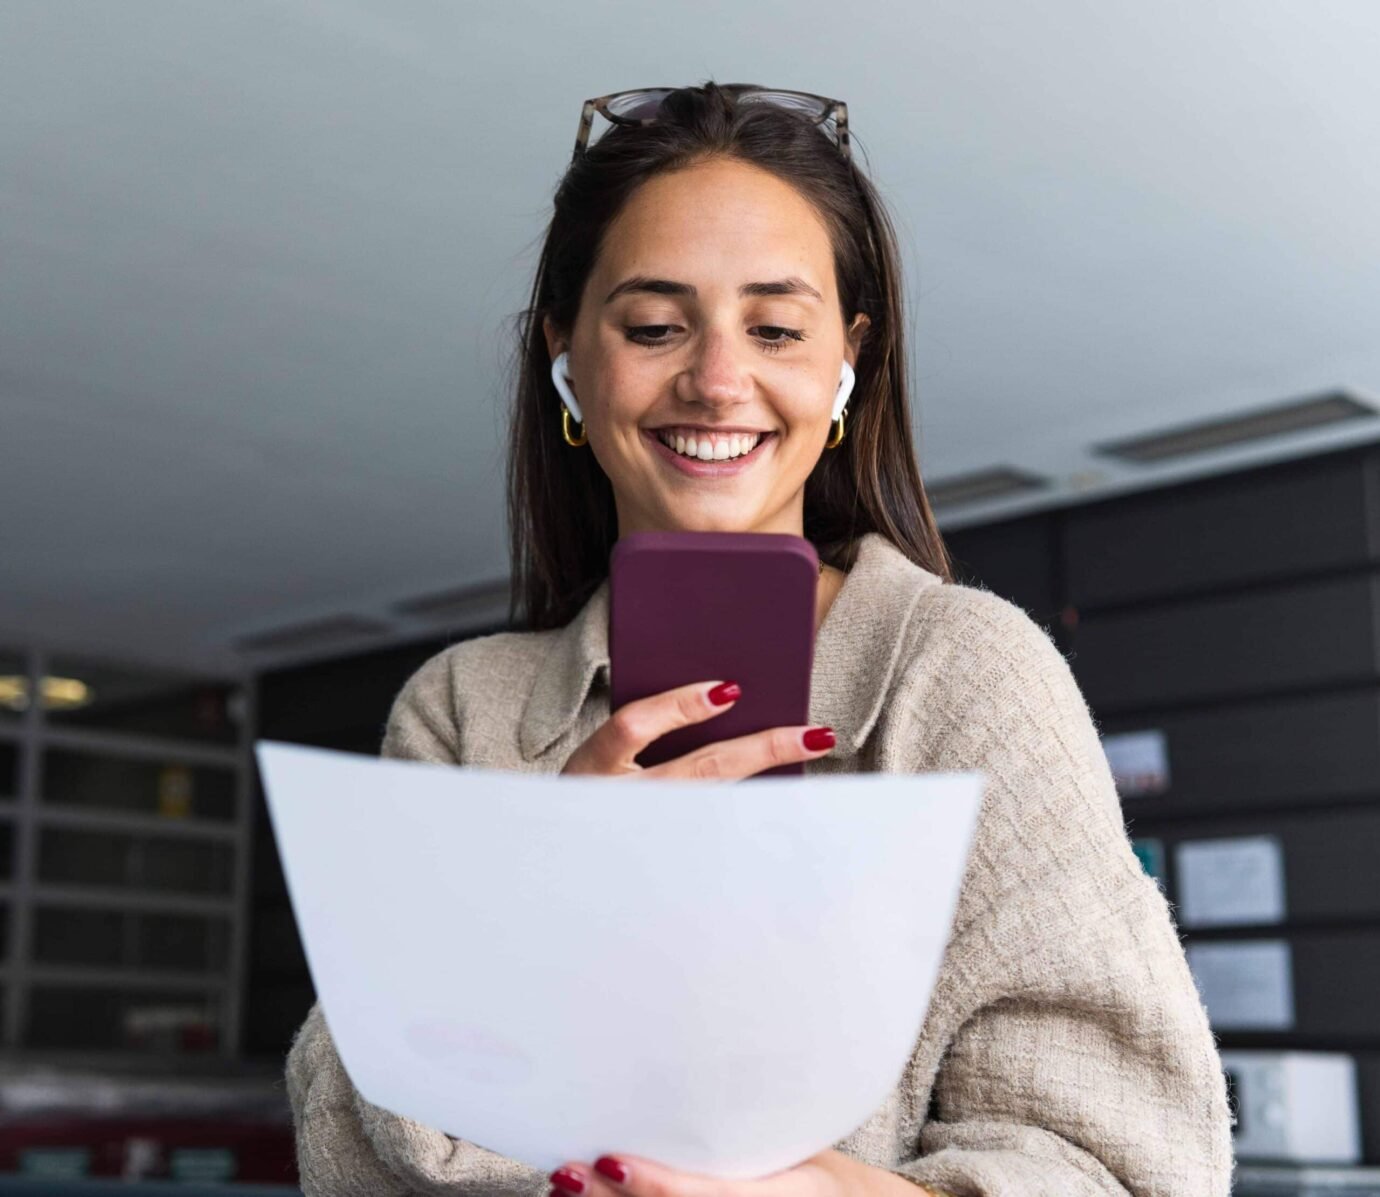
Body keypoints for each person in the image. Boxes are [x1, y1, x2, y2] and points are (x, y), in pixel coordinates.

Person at [284, 82, 1233, 1197]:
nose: (719, 382)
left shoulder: (967, 674)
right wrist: (547, 899)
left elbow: (1127, 1158)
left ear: (846, 364)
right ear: (567, 358)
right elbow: (348, 1158)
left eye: (776, 328)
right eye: (653, 326)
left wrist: (826, 1190)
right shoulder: (465, 709)